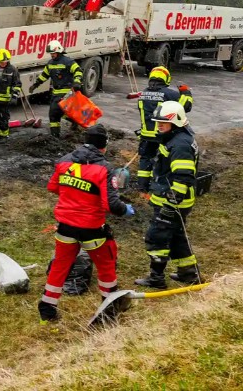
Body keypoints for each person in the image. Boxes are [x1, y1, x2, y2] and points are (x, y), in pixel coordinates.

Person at [39, 125, 134, 323]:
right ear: (104, 146)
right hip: (92, 229)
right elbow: (111, 205)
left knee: (60, 265)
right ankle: (109, 309)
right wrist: (125, 209)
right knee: (106, 265)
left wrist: (73, 195)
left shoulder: (65, 161)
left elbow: (52, 187)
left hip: (65, 226)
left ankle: (47, 308)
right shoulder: (105, 169)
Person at [134, 101, 201, 289]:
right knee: (177, 237)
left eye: (163, 123)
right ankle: (188, 273)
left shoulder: (180, 145)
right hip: (172, 199)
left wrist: (170, 206)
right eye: (157, 122)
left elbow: (183, 177)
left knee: (157, 236)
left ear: (176, 122)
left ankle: (156, 278)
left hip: (172, 202)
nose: (159, 126)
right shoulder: (177, 138)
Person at [133, 66, 193, 192]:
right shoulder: (169, 94)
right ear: (166, 78)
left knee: (145, 160)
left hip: (145, 135)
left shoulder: (143, 94)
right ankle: (159, 186)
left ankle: (142, 187)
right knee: (161, 161)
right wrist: (186, 92)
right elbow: (185, 107)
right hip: (161, 135)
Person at [28, 40, 83, 138]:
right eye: (50, 53)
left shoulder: (68, 62)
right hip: (56, 92)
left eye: (52, 53)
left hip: (66, 92)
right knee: (59, 113)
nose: (51, 55)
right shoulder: (50, 63)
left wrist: (77, 82)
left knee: (53, 112)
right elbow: (44, 75)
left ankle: (55, 136)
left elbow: (78, 71)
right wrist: (35, 85)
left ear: (58, 51)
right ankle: (73, 121)